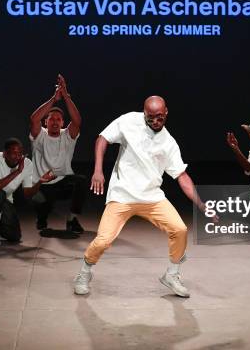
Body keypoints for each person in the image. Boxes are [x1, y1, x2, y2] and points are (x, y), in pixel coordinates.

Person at [73, 96, 206, 298]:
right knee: (103, 241)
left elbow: (182, 176)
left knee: (179, 230)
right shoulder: (128, 121)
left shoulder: (169, 143)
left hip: (152, 197)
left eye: (159, 117)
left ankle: (172, 275)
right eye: (150, 117)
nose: (155, 121)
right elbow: (103, 139)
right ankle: (84, 273)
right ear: (144, 113)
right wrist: (98, 170)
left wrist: (201, 204)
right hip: (122, 195)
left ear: (166, 113)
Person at [29, 74, 86, 232]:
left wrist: (65, 96)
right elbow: (34, 119)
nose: (54, 121)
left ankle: (72, 219)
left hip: (62, 183)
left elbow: (77, 121)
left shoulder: (66, 136)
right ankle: (41, 218)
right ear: (46, 122)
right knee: (41, 200)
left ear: (62, 123)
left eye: (58, 119)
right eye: (51, 119)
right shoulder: (40, 135)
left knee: (80, 181)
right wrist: (54, 98)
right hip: (42, 184)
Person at [0, 138, 55, 245]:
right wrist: (17, 171)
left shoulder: (27, 164)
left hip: (5, 200)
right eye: (14, 153)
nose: (18, 156)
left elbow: (27, 193)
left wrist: (40, 182)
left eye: (20, 153)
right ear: (5, 153)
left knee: (14, 236)